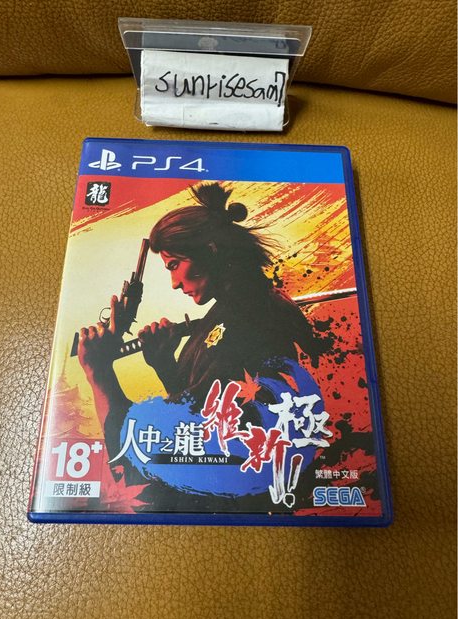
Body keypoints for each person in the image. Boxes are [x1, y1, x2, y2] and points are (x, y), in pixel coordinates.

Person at [78, 182, 328, 469]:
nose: (174, 284)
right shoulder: (233, 312)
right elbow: (202, 406)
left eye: (174, 265)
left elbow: (165, 446)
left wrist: (99, 374)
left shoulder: (242, 321)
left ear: (210, 251)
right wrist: (165, 364)